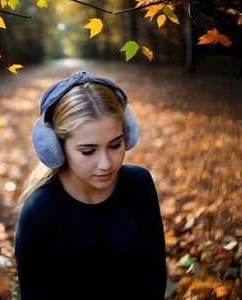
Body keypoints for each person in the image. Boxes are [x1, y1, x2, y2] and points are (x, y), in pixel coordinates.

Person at [14, 71, 166, 299]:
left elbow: (155, 277)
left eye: (115, 145)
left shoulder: (140, 185)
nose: (106, 164)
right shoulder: (40, 212)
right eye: (88, 151)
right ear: (56, 148)